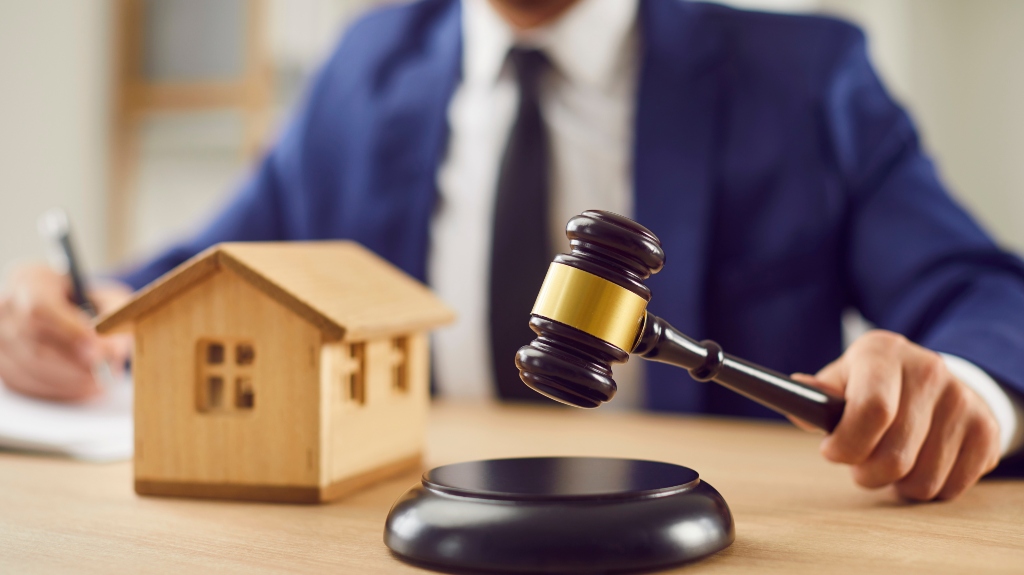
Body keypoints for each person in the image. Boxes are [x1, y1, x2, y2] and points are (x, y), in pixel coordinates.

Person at [1, 0, 1023, 501]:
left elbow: (977, 289)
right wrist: (83, 302)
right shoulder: (365, 69)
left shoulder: (805, 74)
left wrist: (969, 387)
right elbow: (213, 258)